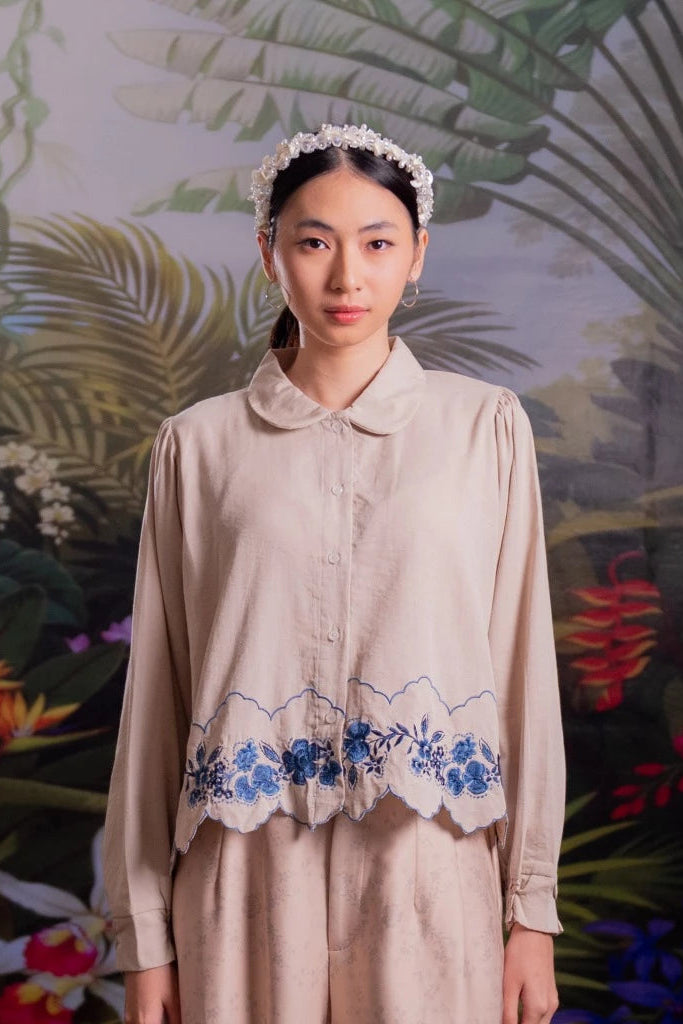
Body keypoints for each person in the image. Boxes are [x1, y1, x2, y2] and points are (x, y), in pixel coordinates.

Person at [102, 122, 565, 1024]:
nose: (346, 277)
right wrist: (144, 938)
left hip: (428, 867)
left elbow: (522, 677)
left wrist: (529, 912)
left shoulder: (486, 430)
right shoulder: (197, 447)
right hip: (240, 871)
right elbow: (155, 696)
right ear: (269, 254)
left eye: (378, 243)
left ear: (417, 255)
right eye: (313, 242)